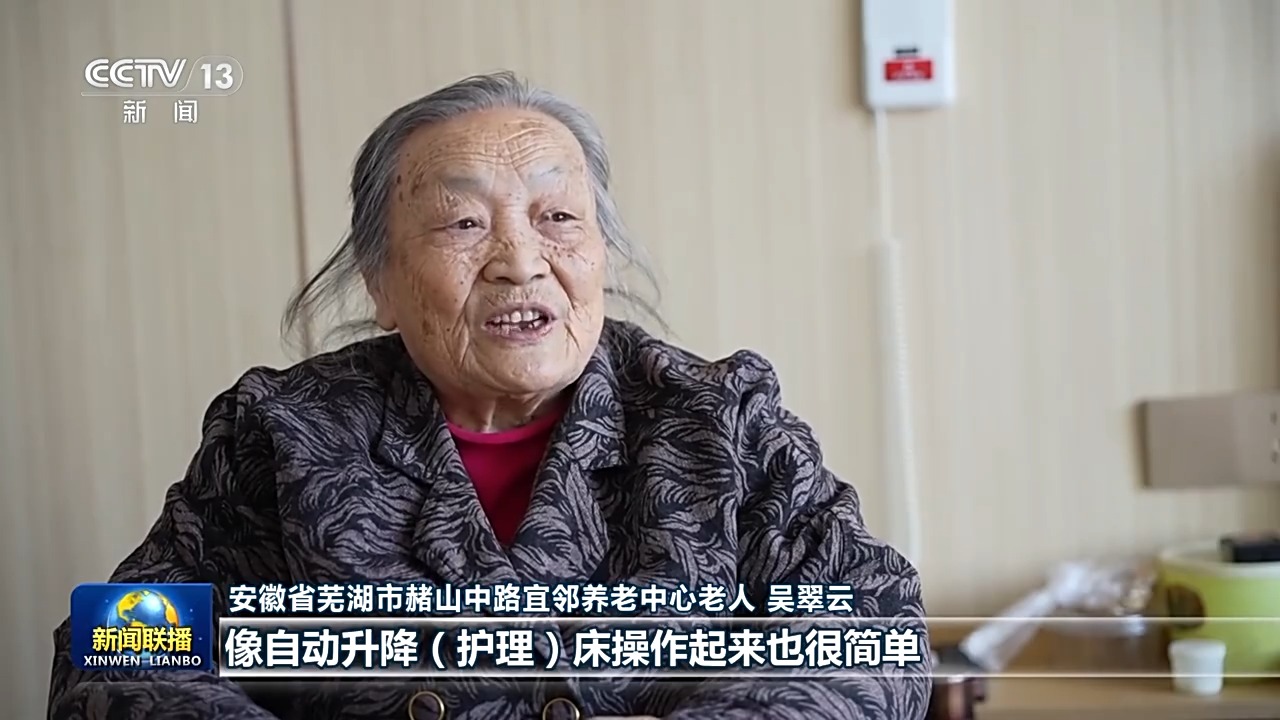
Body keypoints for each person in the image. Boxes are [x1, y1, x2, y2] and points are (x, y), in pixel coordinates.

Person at [47, 71, 931, 720]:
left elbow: (875, 629)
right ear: (381, 283)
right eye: (464, 222)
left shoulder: (716, 419)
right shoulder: (284, 433)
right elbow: (116, 649)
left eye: (558, 218)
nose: (520, 261)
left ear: (600, 255)